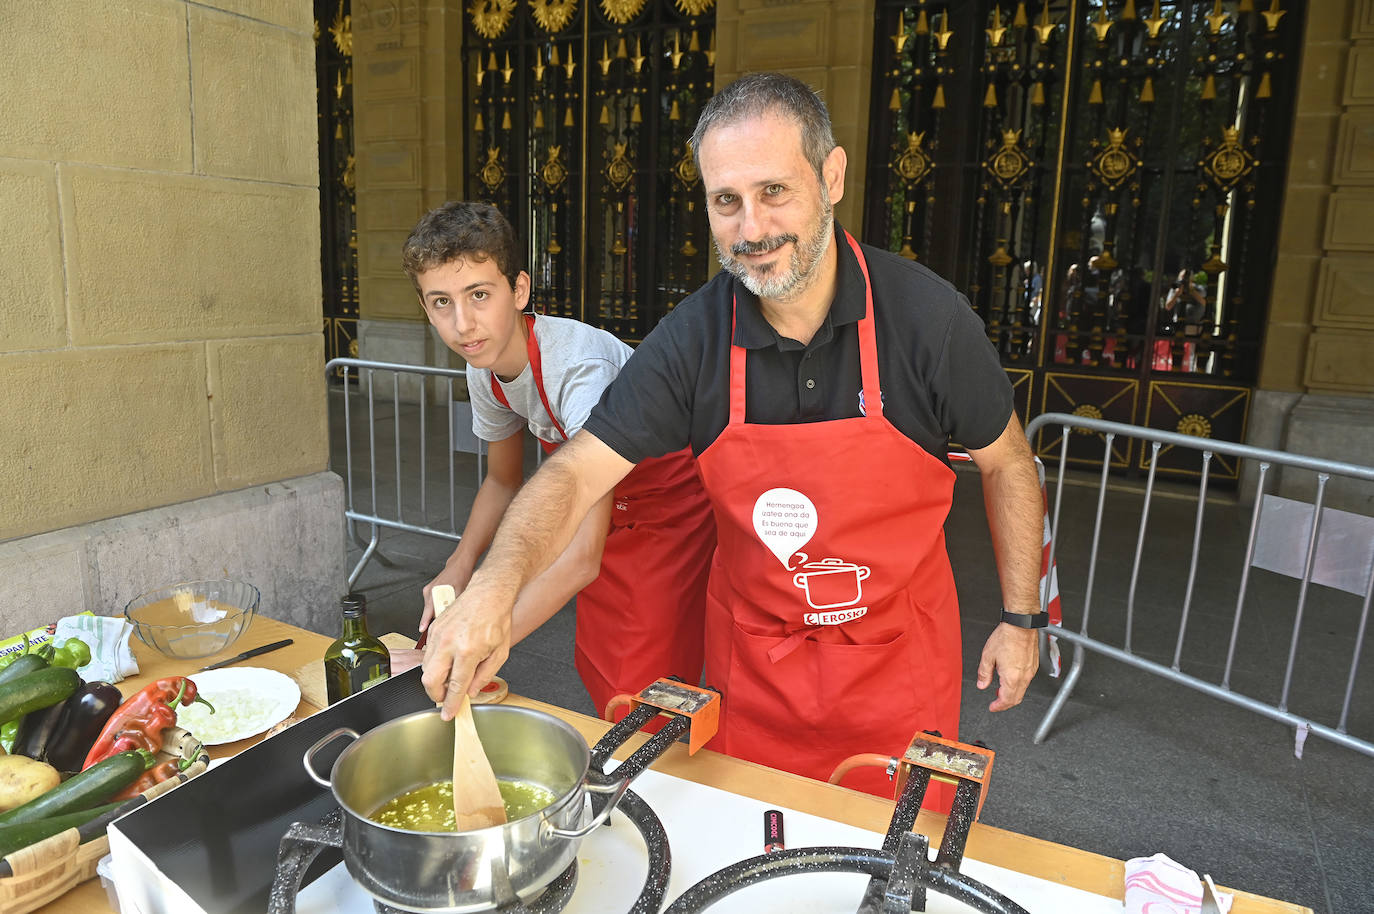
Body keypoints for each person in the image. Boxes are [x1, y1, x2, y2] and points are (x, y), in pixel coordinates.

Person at [420, 74, 1045, 800]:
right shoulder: (695, 337)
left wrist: (1020, 617)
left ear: (831, 176)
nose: (751, 229)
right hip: (756, 671)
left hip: (897, 669)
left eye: (774, 191)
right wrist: (491, 589)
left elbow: (1008, 464)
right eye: (727, 201)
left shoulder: (928, 321)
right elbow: (574, 472)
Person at [403, 201, 716, 717]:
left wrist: (482, 641)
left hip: (666, 508)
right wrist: (457, 568)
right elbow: (502, 482)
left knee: (644, 677)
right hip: (594, 502)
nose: (463, 324)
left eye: (479, 295)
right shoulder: (482, 365)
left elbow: (580, 560)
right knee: (598, 657)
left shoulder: (578, 369)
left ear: (519, 290)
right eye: (441, 302)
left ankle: (651, 777)